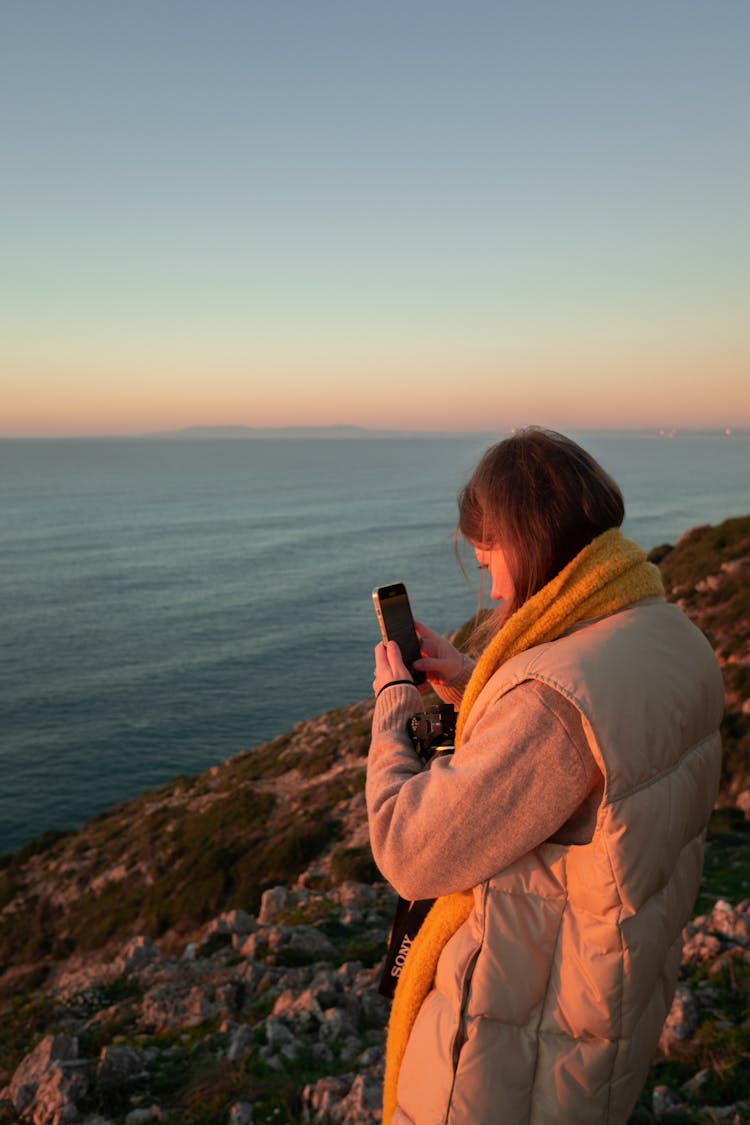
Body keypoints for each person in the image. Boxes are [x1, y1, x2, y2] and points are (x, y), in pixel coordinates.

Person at [367, 428, 723, 1125]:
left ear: (525, 542)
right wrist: (478, 683)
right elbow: (598, 764)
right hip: (609, 1004)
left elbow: (409, 850)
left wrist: (393, 709)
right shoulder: (666, 629)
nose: (492, 583)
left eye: (488, 558)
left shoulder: (551, 707)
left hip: (518, 1049)